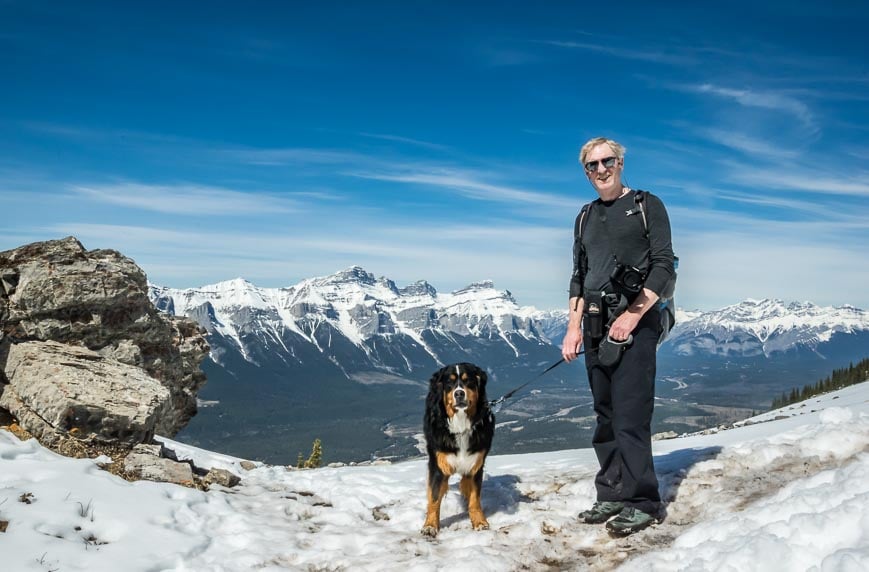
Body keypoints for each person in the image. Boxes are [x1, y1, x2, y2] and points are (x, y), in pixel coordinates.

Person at [562, 137, 675, 536]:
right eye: (591, 166)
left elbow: (663, 267)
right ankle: (610, 491)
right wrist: (573, 327)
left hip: (637, 323)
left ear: (620, 162)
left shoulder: (647, 206)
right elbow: (579, 274)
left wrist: (631, 315)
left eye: (606, 161)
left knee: (630, 414)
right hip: (593, 322)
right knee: (605, 412)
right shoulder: (584, 216)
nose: (600, 170)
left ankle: (643, 500)